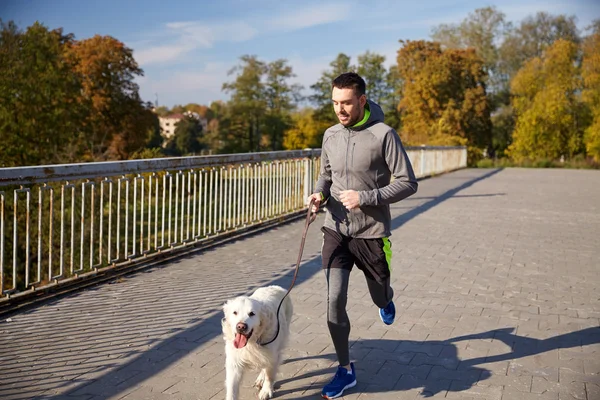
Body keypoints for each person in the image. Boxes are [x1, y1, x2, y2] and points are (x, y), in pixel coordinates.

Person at [306, 72, 418, 399]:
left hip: (371, 234)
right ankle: (345, 369)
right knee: (333, 300)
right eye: (335, 103)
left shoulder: (384, 135)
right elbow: (325, 176)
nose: (340, 110)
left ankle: (386, 297)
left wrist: (365, 198)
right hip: (336, 229)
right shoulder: (330, 135)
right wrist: (317, 196)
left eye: (346, 103)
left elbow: (408, 182)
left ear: (362, 100)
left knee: (378, 294)